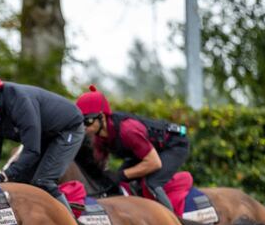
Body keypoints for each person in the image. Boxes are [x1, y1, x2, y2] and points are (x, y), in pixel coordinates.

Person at [0, 66, 85, 212]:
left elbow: (32, 150)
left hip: (68, 128)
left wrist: (4, 175)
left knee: (43, 181)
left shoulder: (20, 102)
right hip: (45, 132)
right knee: (20, 181)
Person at [75, 84, 189, 212]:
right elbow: (101, 167)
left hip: (173, 145)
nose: (83, 126)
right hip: (147, 152)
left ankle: (175, 223)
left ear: (101, 117)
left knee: (151, 183)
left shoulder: (128, 130)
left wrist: (121, 175)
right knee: (119, 183)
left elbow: (154, 163)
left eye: (87, 121)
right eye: (80, 122)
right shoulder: (98, 137)